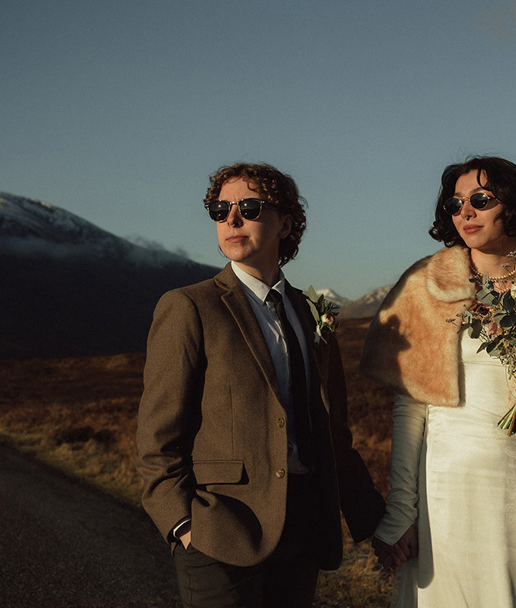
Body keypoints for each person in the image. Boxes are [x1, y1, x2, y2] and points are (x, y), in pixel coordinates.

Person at [136, 162, 386, 607]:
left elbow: (335, 434)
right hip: (220, 531)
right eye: (220, 209)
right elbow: (158, 438)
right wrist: (182, 525)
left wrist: (372, 519)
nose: (231, 219)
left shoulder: (312, 313)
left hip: (304, 525)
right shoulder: (189, 307)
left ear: (285, 223)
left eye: (249, 207)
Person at [359, 156, 516, 607]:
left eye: (481, 200)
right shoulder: (425, 285)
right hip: (444, 487)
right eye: (456, 203)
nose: (465, 213)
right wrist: (402, 510)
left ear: (512, 207)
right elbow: (411, 406)